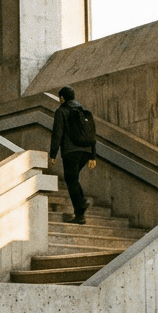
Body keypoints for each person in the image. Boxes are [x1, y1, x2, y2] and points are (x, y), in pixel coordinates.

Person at [49, 86, 96, 224]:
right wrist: (93, 155)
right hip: (86, 151)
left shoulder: (61, 111)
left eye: (60, 97)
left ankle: (81, 204)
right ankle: (80, 215)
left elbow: (57, 133)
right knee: (73, 179)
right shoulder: (84, 112)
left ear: (62, 98)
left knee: (71, 180)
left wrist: (53, 153)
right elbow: (92, 134)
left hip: (71, 151)